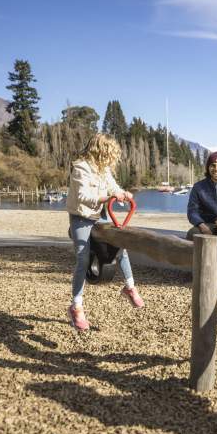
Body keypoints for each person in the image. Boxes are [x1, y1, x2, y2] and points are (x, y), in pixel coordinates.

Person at [66, 134, 144, 332]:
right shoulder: (81, 167)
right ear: (100, 152)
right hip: (81, 217)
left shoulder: (104, 169)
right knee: (83, 259)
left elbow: (113, 186)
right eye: (109, 155)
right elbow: (83, 196)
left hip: (99, 215)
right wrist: (108, 197)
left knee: (120, 245)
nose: (111, 160)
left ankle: (129, 287)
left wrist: (123, 193)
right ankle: (76, 307)